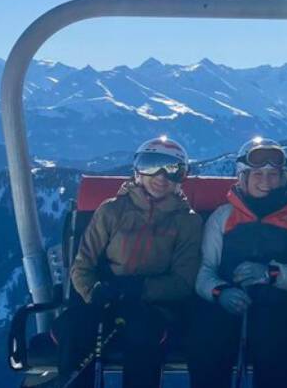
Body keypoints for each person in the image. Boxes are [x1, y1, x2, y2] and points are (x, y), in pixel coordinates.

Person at [59, 136, 203, 388]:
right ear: (137, 171)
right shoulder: (112, 210)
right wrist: (94, 293)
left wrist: (140, 289)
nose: (160, 177)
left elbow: (183, 281)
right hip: (106, 300)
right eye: (151, 165)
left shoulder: (187, 221)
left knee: (143, 332)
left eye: (172, 170)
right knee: (75, 328)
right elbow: (82, 265)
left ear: (182, 177)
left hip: (154, 307)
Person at [187, 137, 287, 388]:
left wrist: (272, 274)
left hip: (279, 308)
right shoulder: (223, 217)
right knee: (206, 340)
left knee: (275, 341)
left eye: (273, 174)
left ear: (283, 177)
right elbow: (205, 270)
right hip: (226, 304)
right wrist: (220, 292)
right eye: (257, 174)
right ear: (242, 177)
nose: (265, 181)